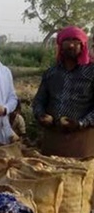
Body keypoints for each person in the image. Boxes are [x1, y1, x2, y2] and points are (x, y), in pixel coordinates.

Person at [32, 25, 94, 158]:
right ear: (61, 44)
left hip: (82, 141)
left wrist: (80, 123)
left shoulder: (91, 72)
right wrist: (41, 115)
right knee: (48, 174)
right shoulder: (51, 73)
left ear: (82, 45)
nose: (71, 45)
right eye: (67, 41)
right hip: (53, 140)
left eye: (76, 41)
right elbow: (39, 101)